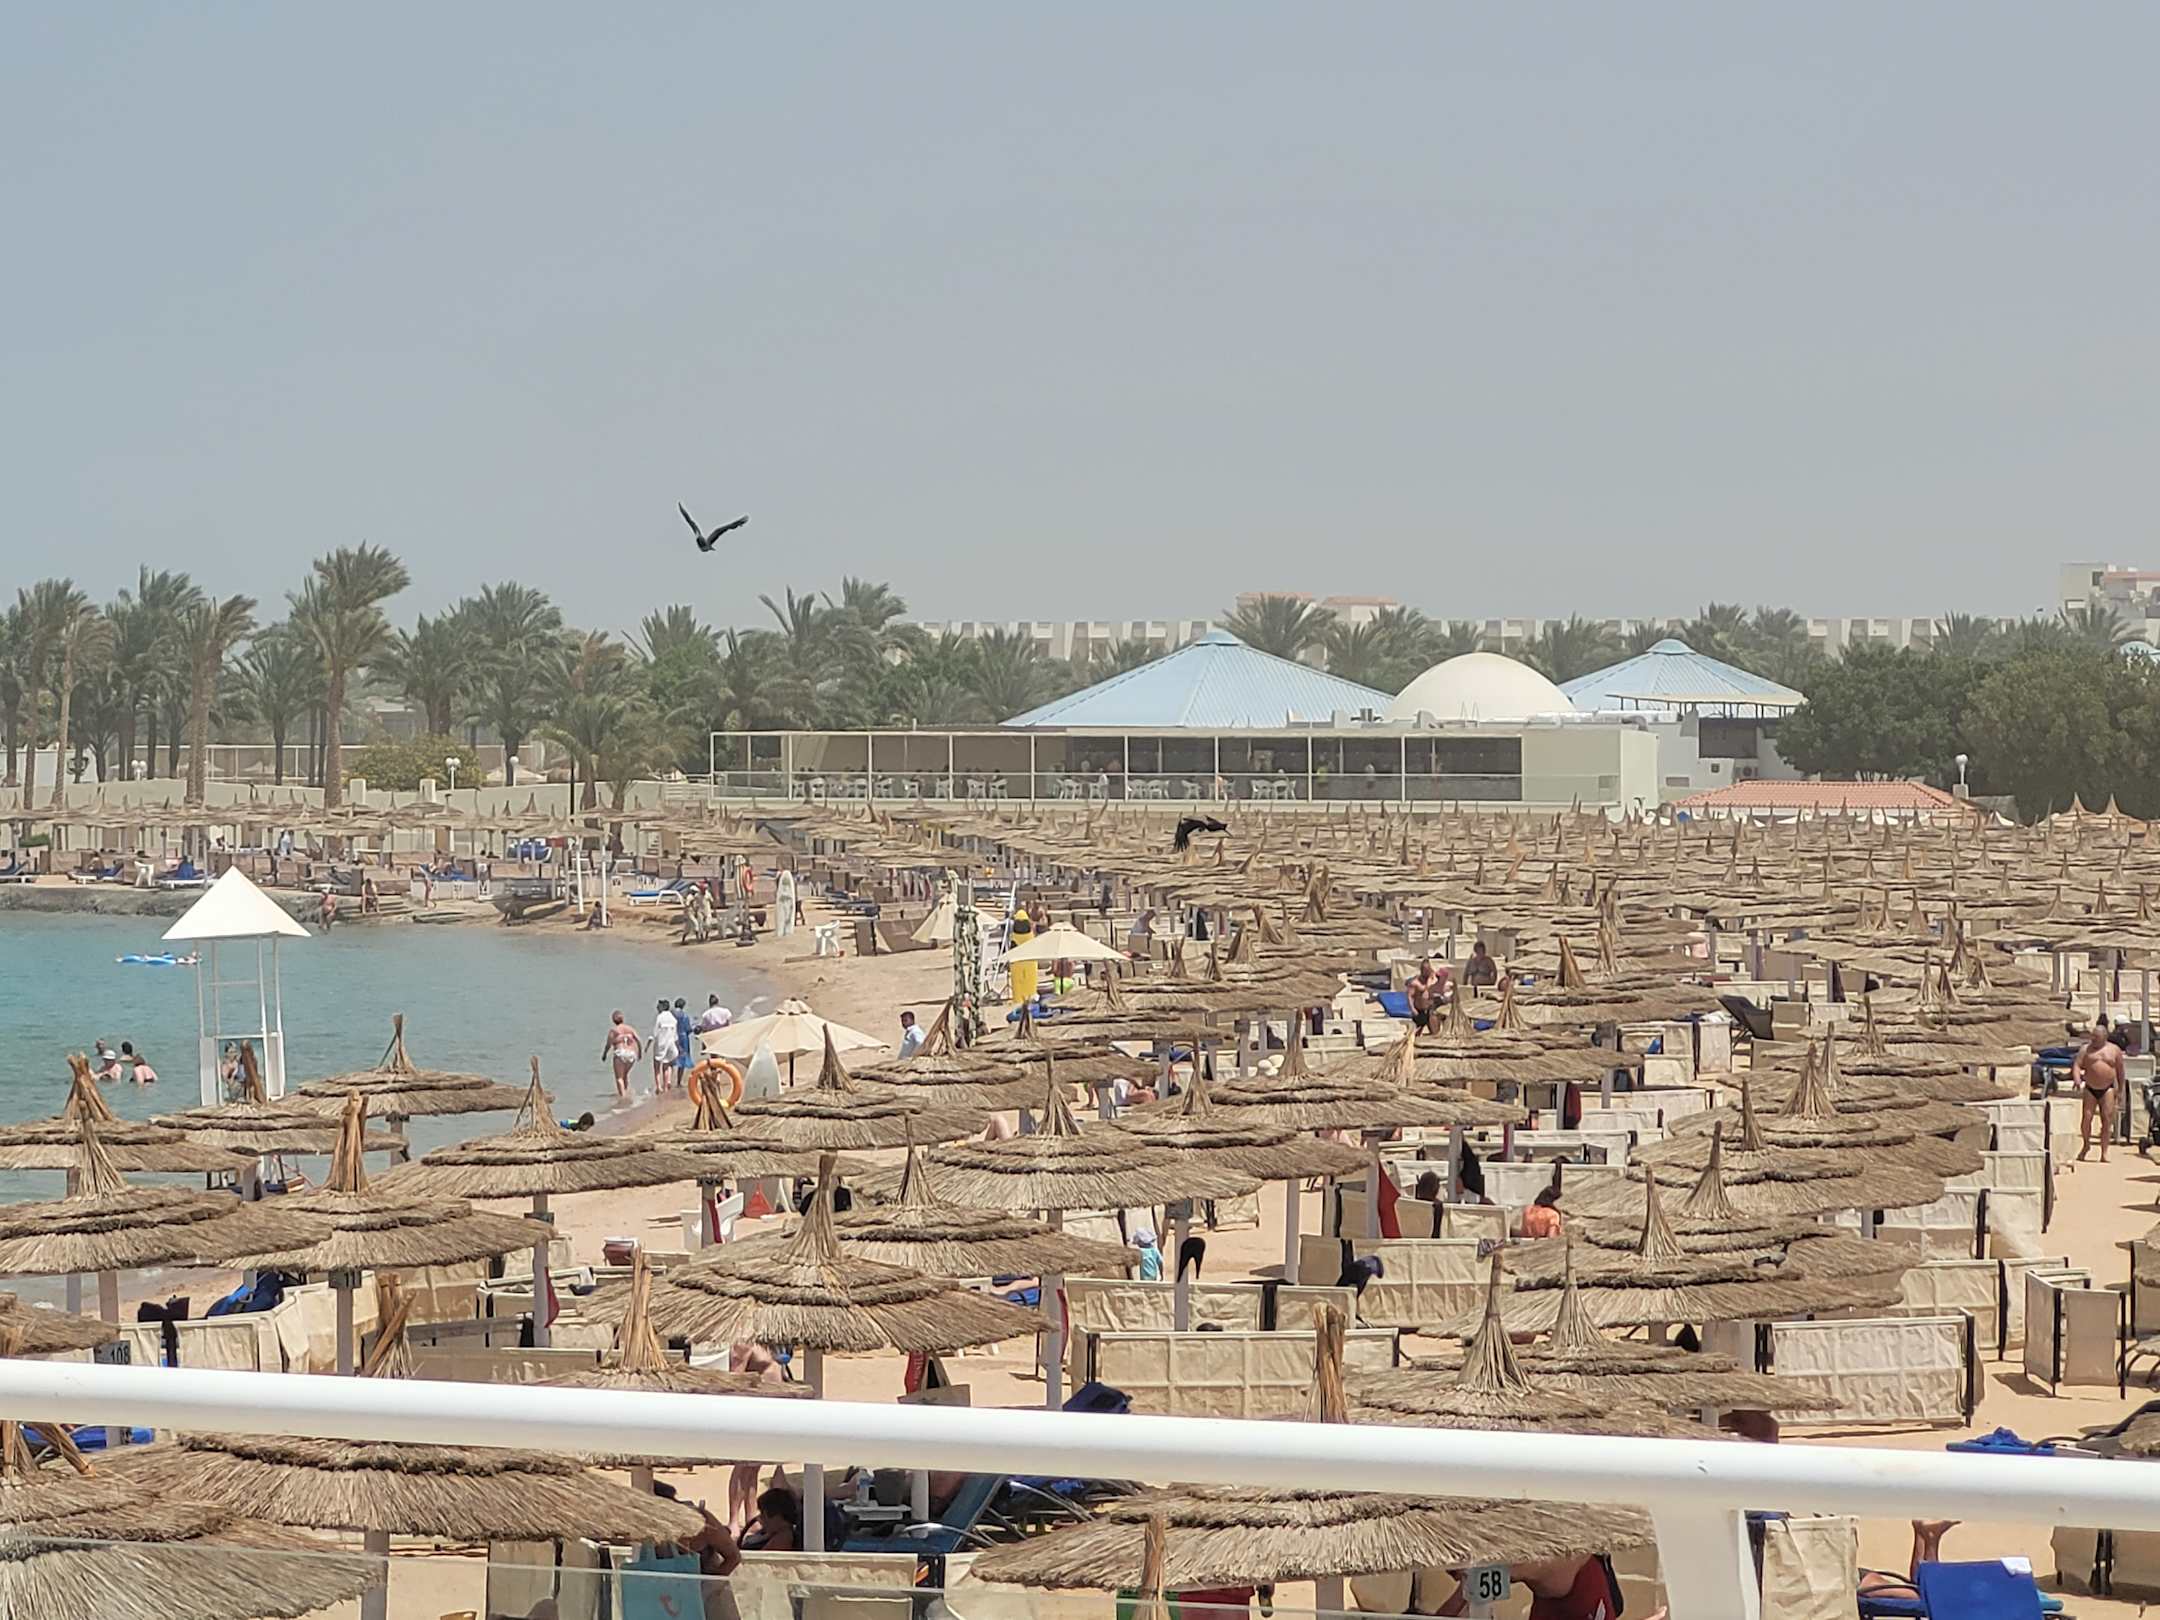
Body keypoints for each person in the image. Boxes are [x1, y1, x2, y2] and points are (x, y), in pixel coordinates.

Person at [2073, 1018, 2123, 1162]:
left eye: (2096, 1037)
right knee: (2086, 1118)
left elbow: (2120, 1071)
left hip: (2108, 1088)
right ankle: (2086, 1145)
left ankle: (2104, 1151)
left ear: (2104, 1037)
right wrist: (2077, 1078)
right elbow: (2077, 1065)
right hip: (2090, 1087)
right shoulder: (2085, 1049)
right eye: (2093, 1036)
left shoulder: (2114, 1050)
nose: (2093, 1039)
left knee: (2106, 1119)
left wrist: (2120, 1091)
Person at [741, 1485, 801, 1552]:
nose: (760, 1519)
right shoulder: (772, 1534)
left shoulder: (782, 1539)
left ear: (777, 1517)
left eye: (764, 1515)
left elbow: (762, 1557)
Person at [602, 1010, 641, 1100]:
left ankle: (623, 1097)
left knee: (619, 1078)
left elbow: (608, 1044)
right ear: (622, 1019)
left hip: (620, 1053)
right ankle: (626, 1093)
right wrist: (639, 1053)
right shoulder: (630, 1029)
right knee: (625, 1075)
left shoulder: (614, 1030)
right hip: (631, 1054)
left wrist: (604, 1054)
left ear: (613, 1020)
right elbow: (638, 1040)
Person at [1008, 905, 1038, 1005]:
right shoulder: (1031, 936)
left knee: (1018, 985)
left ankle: (1018, 1001)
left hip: (1017, 963)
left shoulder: (1014, 937)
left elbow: (1012, 951)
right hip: (1030, 962)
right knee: (1030, 984)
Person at [652, 998, 681, 1093]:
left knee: (657, 1066)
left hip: (661, 1044)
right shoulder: (673, 1018)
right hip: (671, 1044)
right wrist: (678, 1047)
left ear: (662, 1007)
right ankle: (665, 1086)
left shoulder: (660, 1017)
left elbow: (655, 1033)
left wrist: (648, 1045)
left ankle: (658, 1086)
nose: (657, 1008)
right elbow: (675, 1036)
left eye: (658, 1006)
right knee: (666, 1065)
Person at [673, 998, 695, 1087]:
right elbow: (688, 1029)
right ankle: (678, 1082)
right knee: (682, 1061)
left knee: (670, 1060)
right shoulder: (685, 1016)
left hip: (672, 1037)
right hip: (682, 1038)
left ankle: (668, 1081)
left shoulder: (671, 1014)